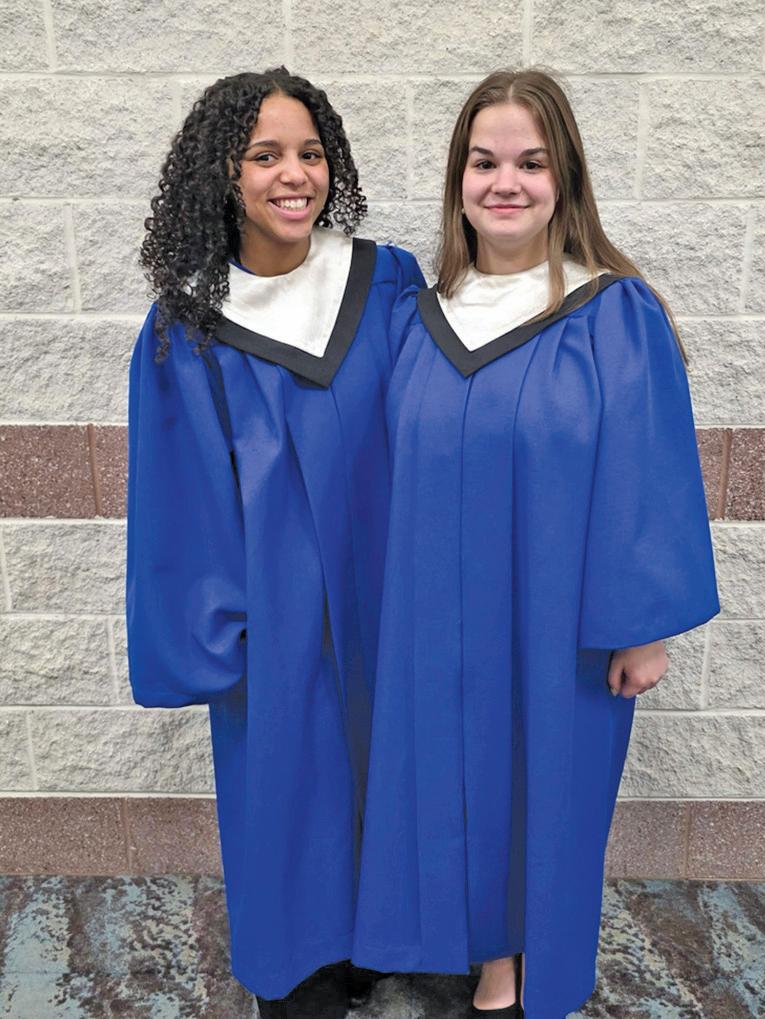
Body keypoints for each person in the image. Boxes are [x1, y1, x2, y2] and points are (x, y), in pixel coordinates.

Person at [352, 68, 719, 1018]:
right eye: (483, 162)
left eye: (530, 162)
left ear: (566, 179)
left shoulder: (612, 312)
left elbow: (646, 472)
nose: (504, 182)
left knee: (543, 794)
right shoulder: (417, 317)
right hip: (436, 621)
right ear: (457, 178)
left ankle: (518, 972)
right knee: (450, 785)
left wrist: (642, 626)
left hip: (557, 622)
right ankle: (472, 953)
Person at [126, 67, 423, 1018]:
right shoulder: (189, 327)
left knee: (403, 774)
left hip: (395, 597)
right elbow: (183, 503)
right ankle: (304, 977)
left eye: (309, 152)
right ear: (224, 173)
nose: (293, 174)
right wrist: (223, 641)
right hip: (280, 618)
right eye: (264, 155)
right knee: (290, 800)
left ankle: (396, 946)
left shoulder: (386, 280)